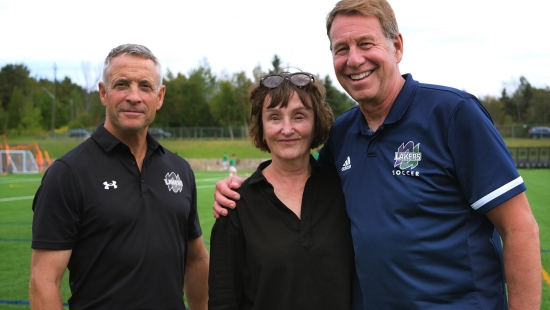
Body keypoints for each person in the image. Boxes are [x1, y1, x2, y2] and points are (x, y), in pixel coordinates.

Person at [212, 1, 541, 309]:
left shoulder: (453, 114)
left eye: (366, 44)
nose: (354, 59)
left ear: (396, 47)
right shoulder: (342, 136)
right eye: (342, 49)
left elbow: (519, 229)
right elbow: (297, 176)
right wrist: (241, 188)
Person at [29, 44, 209, 310]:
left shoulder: (180, 169)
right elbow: (43, 280)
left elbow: (195, 260)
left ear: (159, 97)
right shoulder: (68, 173)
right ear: (104, 93)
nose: (134, 96)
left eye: (145, 87)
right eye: (122, 84)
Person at [208, 71, 354, 309]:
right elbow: (223, 299)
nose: (287, 129)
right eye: (274, 118)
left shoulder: (343, 190)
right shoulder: (235, 204)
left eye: (299, 116)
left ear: (316, 122)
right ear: (261, 127)